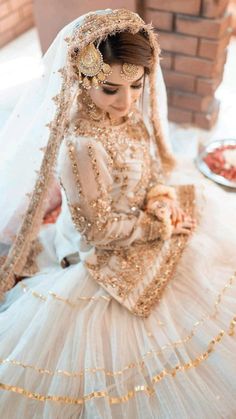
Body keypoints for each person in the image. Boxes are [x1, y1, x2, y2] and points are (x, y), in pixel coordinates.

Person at [0, 8, 235, 418]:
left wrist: (161, 198)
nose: (126, 102)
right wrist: (158, 223)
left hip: (138, 215)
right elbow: (99, 231)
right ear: (84, 78)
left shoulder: (125, 111)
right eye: (109, 89)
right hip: (100, 248)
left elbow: (152, 168)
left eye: (136, 85)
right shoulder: (82, 145)